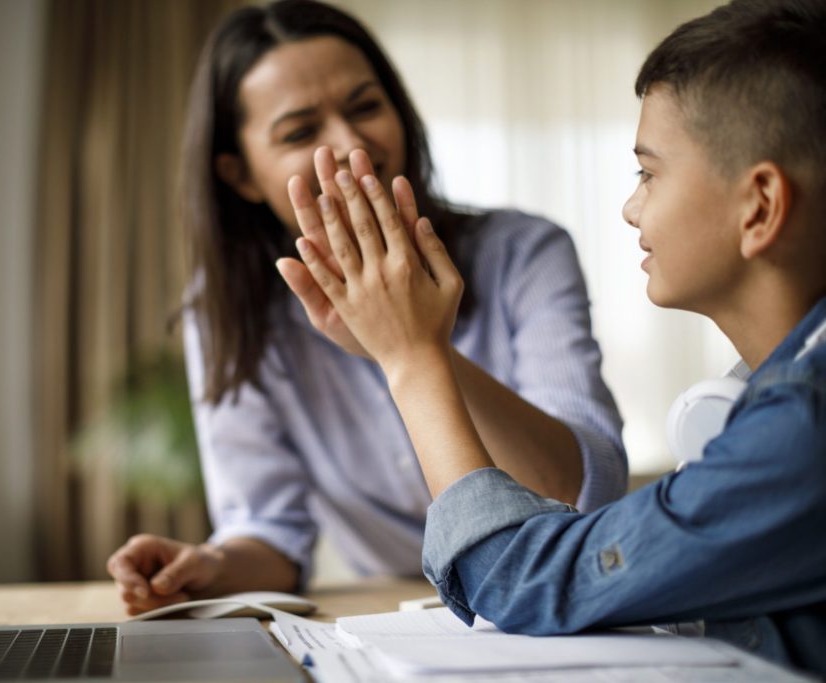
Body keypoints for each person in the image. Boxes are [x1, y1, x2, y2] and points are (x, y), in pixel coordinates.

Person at [284, 0, 826, 674]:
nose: (630, 207)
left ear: (761, 206)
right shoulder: (774, 399)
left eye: (647, 173)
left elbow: (525, 578)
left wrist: (411, 359)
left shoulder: (801, 425)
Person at [107, 0, 626, 615]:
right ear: (240, 173)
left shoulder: (525, 251)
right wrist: (210, 566)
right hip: (395, 614)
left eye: (365, 108)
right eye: (301, 133)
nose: (353, 146)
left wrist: (411, 344)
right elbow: (272, 531)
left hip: (556, 587)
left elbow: (583, 490)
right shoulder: (226, 314)